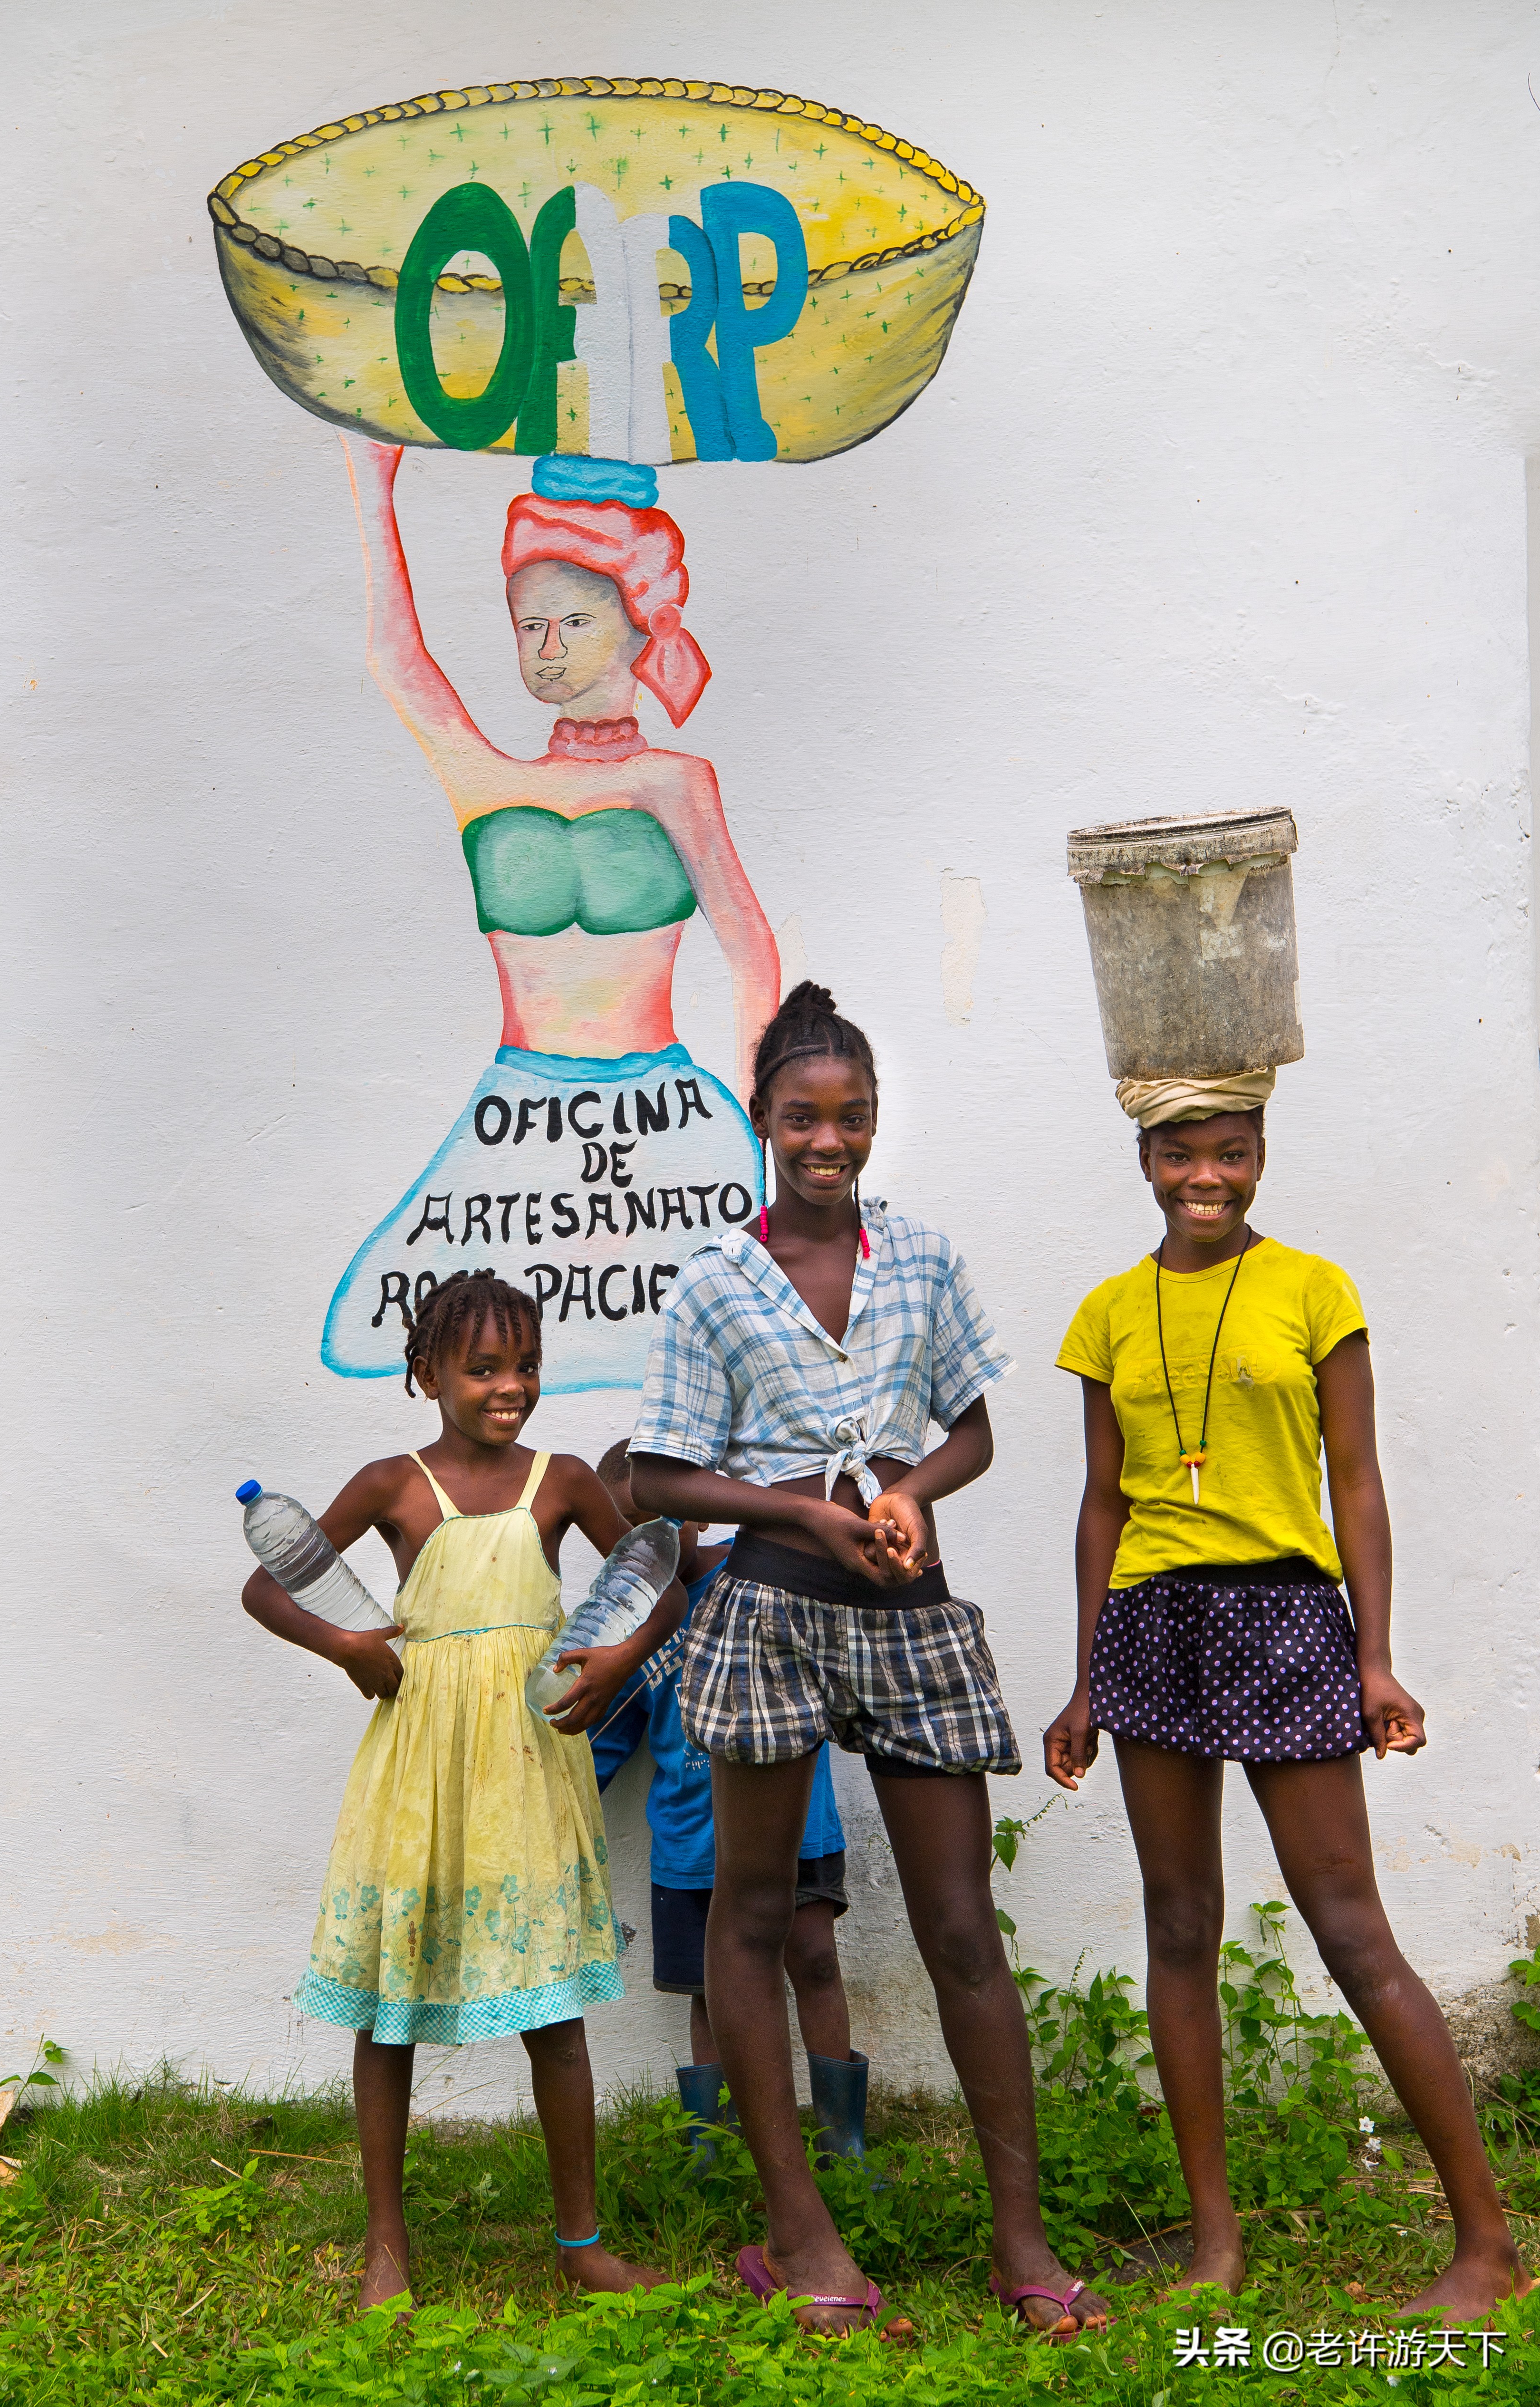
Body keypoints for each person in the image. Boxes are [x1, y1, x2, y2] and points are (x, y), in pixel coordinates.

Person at [628, 982, 1110, 2339]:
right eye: (799, 1117)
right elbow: (661, 1473)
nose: (824, 1140)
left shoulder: (925, 1260)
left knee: (964, 1926)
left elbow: (973, 1431)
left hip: (910, 1610)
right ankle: (801, 2235)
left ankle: (1023, 2241)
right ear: (762, 1120)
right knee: (757, 1916)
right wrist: (802, 1510)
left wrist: (910, 1494)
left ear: (876, 1121)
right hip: (771, 1608)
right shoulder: (715, 1284)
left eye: (848, 1118)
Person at [1044, 1092, 1532, 2314]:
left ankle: (1484, 2244)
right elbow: (1102, 1503)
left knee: (1347, 1923)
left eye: (1228, 1152)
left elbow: (1354, 1483)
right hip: (1153, 1622)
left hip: (1285, 1616)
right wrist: (1082, 1673)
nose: (1203, 1175)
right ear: (1143, 1160)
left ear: (1260, 1157)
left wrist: (1374, 1658)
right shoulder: (1106, 1313)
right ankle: (1214, 2244)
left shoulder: (1316, 1290)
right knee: (1175, 1926)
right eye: (1178, 1153)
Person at [241, 1268, 685, 2311]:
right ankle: (385, 2246)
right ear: (427, 1372)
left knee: (555, 2009)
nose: (508, 1387)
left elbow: (661, 1578)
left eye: (525, 1365)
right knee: (390, 2005)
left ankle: (581, 2242)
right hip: (420, 1768)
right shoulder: (393, 1485)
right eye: (482, 1367)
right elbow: (267, 1586)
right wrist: (348, 1644)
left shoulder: (563, 1479)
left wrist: (617, 1661)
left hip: (530, 1765)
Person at [323, 441, 779, 1387]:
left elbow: (750, 955)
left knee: (699, 1358)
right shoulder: (485, 783)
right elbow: (395, 661)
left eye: (574, 618)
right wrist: (371, 477)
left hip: (659, 1119)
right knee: (471, 1347)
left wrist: (753, 1125)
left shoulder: (673, 783)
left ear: (638, 623)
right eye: (527, 624)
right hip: (519, 1115)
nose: (548, 646)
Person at [587, 1440, 868, 2165]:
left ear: (691, 1514)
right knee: (712, 1990)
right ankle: (711, 2143)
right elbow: (603, 1743)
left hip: (798, 1825)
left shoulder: (754, 1576)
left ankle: (845, 2141)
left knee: (815, 1961)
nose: (643, 1544)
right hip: (692, 1847)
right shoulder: (618, 1638)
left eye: (657, 1522)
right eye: (622, 1531)